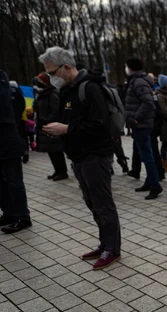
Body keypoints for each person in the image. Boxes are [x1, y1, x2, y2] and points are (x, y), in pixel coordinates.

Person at [39, 46, 120, 268]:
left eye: (52, 73)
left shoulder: (90, 87)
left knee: (103, 203)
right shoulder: (67, 89)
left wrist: (66, 129)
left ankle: (112, 248)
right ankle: (104, 244)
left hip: (96, 154)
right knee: (91, 201)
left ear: (66, 67)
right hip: (78, 155)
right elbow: (68, 118)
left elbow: (99, 124)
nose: (51, 78)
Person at [124, 57, 162, 199]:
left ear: (131, 67)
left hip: (141, 125)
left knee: (147, 156)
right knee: (146, 154)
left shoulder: (138, 82)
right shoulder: (137, 80)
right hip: (141, 125)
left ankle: (155, 186)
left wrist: (136, 119)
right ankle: (149, 182)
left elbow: (148, 102)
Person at [0, 70, 32, 234]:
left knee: (14, 181)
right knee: (2, 182)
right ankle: (9, 213)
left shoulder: (3, 81)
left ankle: (22, 217)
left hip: (8, 140)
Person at [33, 72, 68, 181]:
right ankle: (57, 170)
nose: (40, 83)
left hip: (51, 125)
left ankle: (62, 171)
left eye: (42, 81)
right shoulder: (41, 94)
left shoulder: (52, 93)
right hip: (43, 125)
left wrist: (48, 121)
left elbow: (56, 110)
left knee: (56, 149)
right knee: (50, 150)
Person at [9, 81, 27, 163]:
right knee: (21, 134)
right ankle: (24, 150)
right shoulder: (19, 93)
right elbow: (23, 105)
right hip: (20, 118)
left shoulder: (7, 92)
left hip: (10, 118)